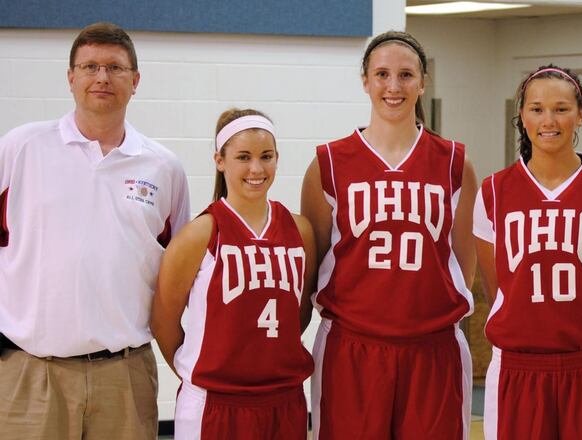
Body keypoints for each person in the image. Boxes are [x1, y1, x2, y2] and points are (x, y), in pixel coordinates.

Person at [0, 22, 190, 439]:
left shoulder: (164, 167)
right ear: (70, 78)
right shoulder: (20, 148)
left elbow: (178, 276)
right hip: (32, 374)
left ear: (135, 81)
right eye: (89, 67)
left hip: (124, 375)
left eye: (115, 68)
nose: (102, 77)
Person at [301, 30, 478, 439]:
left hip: (433, 348)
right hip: (351, 347)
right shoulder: (329, 163)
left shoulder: (455, 163)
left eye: (405, 75)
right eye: (381, 74)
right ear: (365, 81)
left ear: (423, 81)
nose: (393, 87)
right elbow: (316, 266)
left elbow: (462, 268)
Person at [474, 65, 582, 439]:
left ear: (580, 114)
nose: (548, 120)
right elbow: (497, 286)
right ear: (521, 114)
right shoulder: (494, 193)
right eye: (536, 108)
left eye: (561, 109)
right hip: (518, 368)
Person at [151, 109, 316, 439]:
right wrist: (205, 372)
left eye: (266, 156)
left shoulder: (300, 230)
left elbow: (300, 312)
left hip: (284, 400)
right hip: (214, 403)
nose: (256, 168)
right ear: (220, 160)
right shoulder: (200, 234)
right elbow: (163, 322)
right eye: (243, 157)